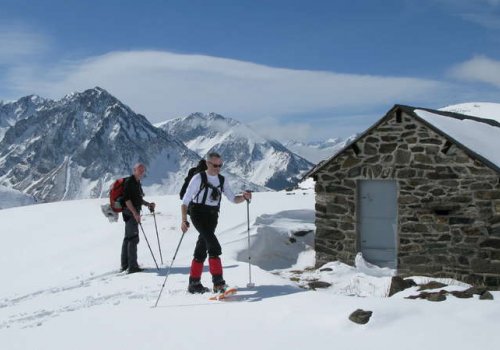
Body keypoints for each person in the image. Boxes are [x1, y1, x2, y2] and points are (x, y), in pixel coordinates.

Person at [181, 152, 251, 294]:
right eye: (215, 165)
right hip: (198, 214)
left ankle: (194, 283)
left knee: (202, 247)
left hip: (213, 216)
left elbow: (232, 198)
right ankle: (218, 283)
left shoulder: (222, 180)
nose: (218, 168)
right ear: (207, 163)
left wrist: (243, 197)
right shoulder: (198, 178)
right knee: (213, 246)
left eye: (220, 165)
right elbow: (185, 201)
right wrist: (184, 220)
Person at [121, 163, 156, 274]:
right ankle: (132, 266)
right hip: (130, 213)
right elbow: (127, 200)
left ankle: (125, 264)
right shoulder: (130, 182)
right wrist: (135, 213)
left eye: (143, 170)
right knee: (133, 238)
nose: (141, 172)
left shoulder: (136, 182)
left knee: (128, 238)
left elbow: (138, 199)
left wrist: (148, 204)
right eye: (139, 170)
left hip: (131, 212)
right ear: (134, 170)